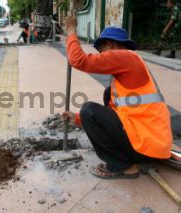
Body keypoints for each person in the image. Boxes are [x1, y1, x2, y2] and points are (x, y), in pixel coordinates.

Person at [63, 15, 173, 179]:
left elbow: (78, 60)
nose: (101, 55)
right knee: (107, 95)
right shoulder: (126, 69)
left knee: (89, 110)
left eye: (102, 51)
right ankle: (129, 158)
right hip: (152, 145)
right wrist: (78, 119)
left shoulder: (125, 57)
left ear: (110, 44)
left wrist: (71, 31)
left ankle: (123, 166)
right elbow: (116, 115)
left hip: (146, 147)